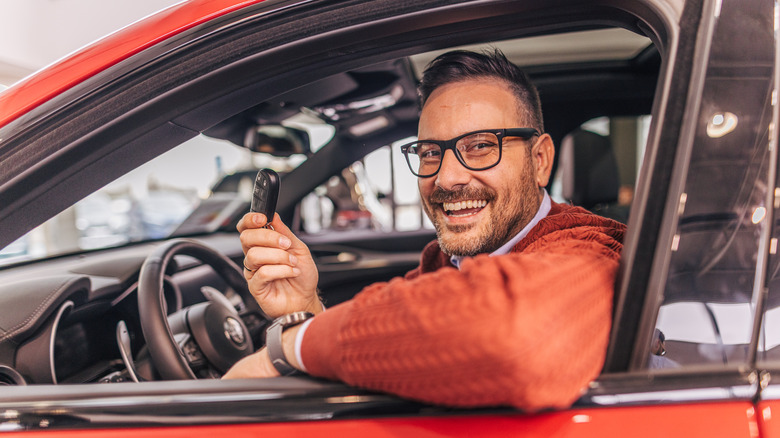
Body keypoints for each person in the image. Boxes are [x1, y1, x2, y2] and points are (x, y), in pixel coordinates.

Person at [223, 50, 626, 411]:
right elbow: (403, 352)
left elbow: (513, 336)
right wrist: (306, 308)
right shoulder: (446, 264)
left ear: (540, 160)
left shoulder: (592, 250)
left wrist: (285, 349)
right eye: (431, 152)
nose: (447, 178)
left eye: (481, 146)